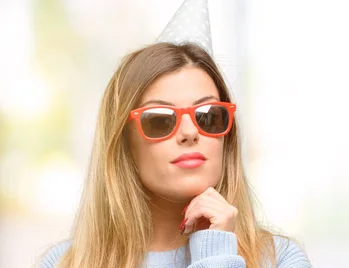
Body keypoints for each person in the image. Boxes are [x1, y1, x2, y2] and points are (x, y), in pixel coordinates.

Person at [38, 1, 310, 268]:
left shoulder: (280, 259)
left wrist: (216, 253)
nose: (190, 133)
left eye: (209, 116)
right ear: (124, 143)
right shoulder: (65, 263)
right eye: (160, 120)